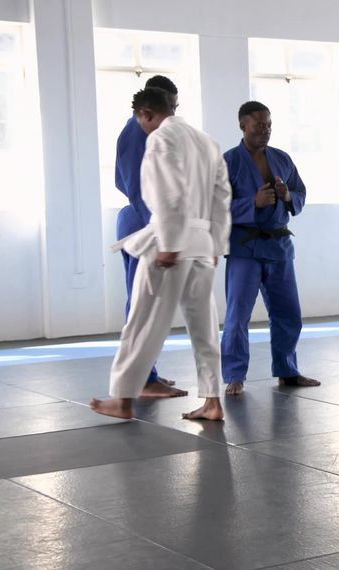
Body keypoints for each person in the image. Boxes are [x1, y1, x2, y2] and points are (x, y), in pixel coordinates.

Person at [90, 87, 231, 421]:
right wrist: (216, 244)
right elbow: (221, 196)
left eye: (141, 121)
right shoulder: (207, 141)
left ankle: (123, 400)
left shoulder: (160, 138)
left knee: (142, 322)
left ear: (146, 114)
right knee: (205, 327)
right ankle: (212, 401)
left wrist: (168, 244)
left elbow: (168, 195)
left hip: (172, 241)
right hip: (202, 243)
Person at [220, 101, 319, 395]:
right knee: (238, 316)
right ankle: (235, 375)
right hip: (245, 248)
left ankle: (287, 371)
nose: (265, 130)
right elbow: (214, 206)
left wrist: (287, 195)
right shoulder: (228, 162)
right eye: (259, 125)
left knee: (289, 312)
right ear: (243, 126)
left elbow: (300, 193)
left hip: (279, 245)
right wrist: (252, 202)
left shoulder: (282, 158)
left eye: (269, 125)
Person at [114, 75, 185, 398]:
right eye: (170, 107)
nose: (173, 115)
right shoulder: (135, 134)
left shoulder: (150, 133)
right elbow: (136, 189)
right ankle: (142, 381)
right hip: (142, 225)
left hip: (144, 222)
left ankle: (146, 372)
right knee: (142, 305)